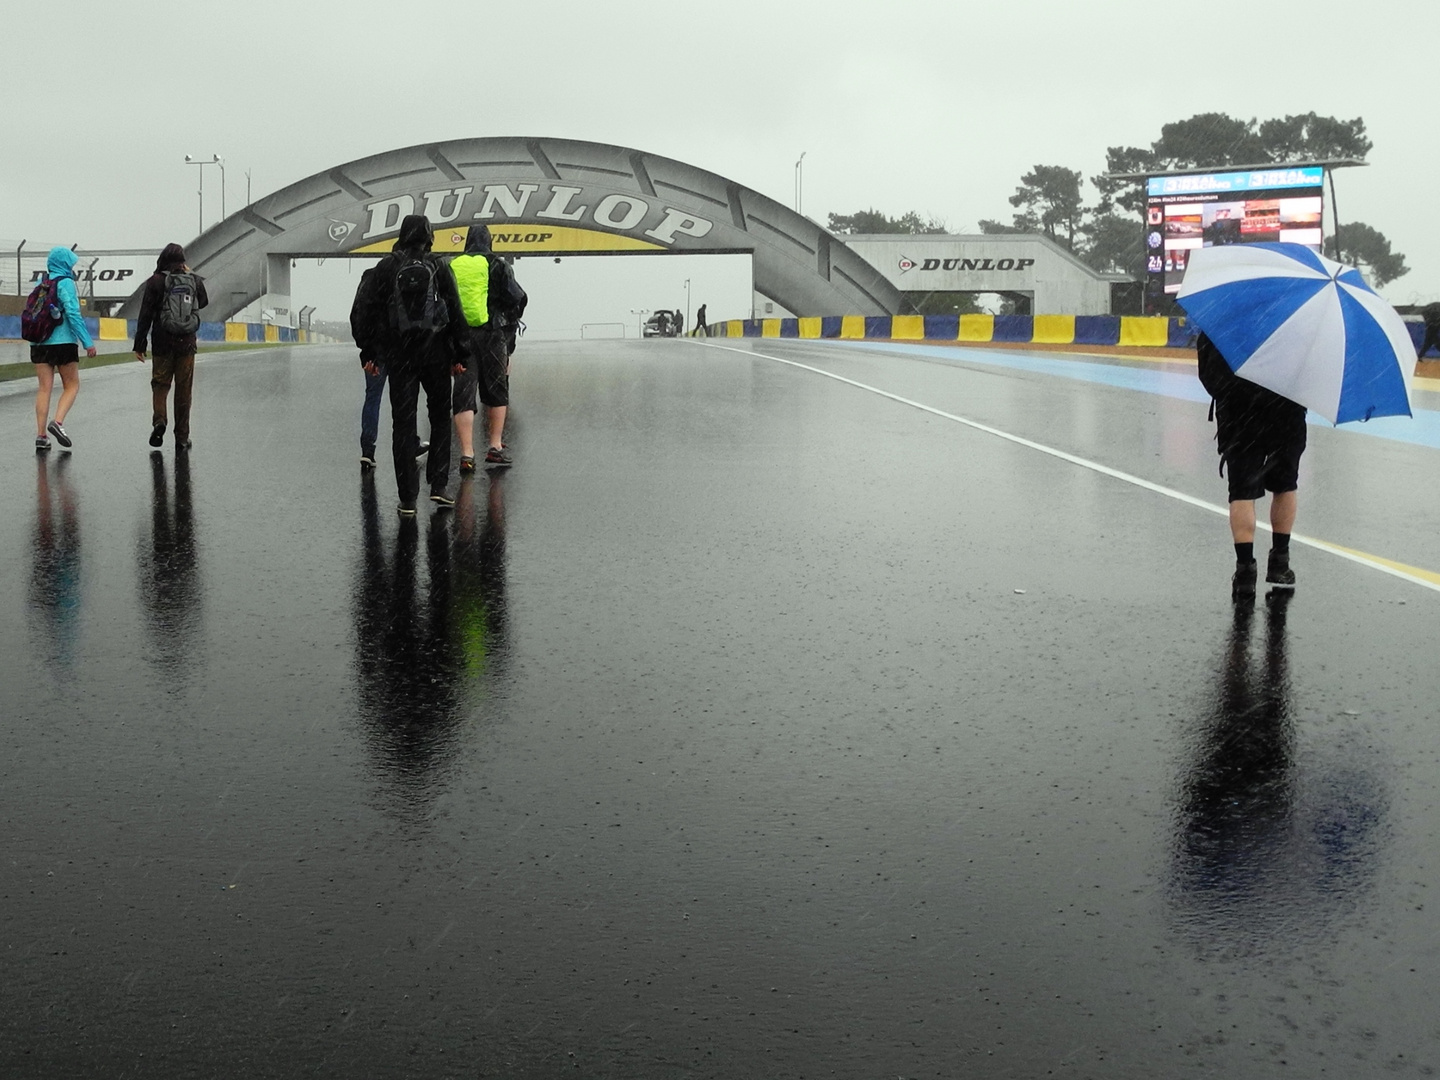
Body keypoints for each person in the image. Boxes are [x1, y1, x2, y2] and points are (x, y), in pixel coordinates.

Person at [350, 214, 467, 514]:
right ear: (429, 238)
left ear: (401, 237)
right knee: (440, 416)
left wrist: (369, 352)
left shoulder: (386, 268)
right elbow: (454, 310)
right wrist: (461, 353)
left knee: (403, 423)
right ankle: (439, 486)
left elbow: (363, 311)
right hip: (436, 354)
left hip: (400, 356)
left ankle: (407, 498)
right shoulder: (439, 266)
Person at [1197, 332, 1306, 599]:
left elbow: (1209, 377)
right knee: (1285, 485)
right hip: (1286, 412)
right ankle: (1280, 562)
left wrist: (1236, 394)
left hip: (1239, 418)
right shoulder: (1297, 323)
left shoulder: (1222, 322)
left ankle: (1245, 571)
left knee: (1242, 493)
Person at [447, 225, 527, 470]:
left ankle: (467, 454)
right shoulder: (498, 265)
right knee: (495, 391)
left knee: (464, 392)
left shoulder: (453, 265)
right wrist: (507, 322)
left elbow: (445, 301)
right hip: (493, 334)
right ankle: (494, 447)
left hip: (462, 335)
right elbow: (518, 298)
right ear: (489, 241)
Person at [134, 244, 209, 450]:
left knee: (160, 385)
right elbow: (203, 302)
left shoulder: (155, 281)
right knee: (184, 390)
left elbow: (145, 314)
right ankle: (182, 438)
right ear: (183, 260)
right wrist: (190, 275)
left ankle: (160, 421)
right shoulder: (193, 280)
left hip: (162, 343)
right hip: (186, 343)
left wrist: (139, 344)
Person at [30, 246, 97, 452]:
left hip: (39, 343)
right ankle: (57, 423)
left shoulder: (40, 284)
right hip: (64, 342)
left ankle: (41, 436)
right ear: (66, 264)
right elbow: (73, 314)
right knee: (72, 385)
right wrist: (87, 342)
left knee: (44, 389)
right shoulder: (66, 283)